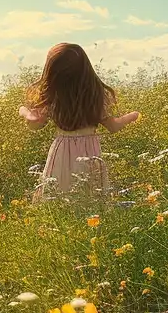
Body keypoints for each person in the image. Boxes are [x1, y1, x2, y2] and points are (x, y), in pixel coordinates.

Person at [22, 42, 141, 199]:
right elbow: (114, 126)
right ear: (86, 69)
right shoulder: (95, 96)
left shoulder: (54, 96)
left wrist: (23, 111)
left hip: (62, 150)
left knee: (58, 194)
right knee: (90, 196)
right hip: (90, 151)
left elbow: (35, 123)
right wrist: (133, 115)